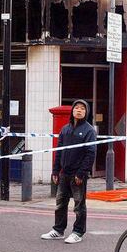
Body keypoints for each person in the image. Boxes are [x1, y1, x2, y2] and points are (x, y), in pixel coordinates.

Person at [41, 100, 96, 244]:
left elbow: (90, 154)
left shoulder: (89, 130)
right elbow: (58, 151)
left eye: (82, 108)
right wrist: (55, 170)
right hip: (64, 173)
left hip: (77, 175)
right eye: (76, 108)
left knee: (79, 205)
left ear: (86, 112)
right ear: (72, 111)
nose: (79, 110)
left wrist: (81, 173)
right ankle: (58, 230)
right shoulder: (65, 129)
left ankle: (78, 232)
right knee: (60, 203)